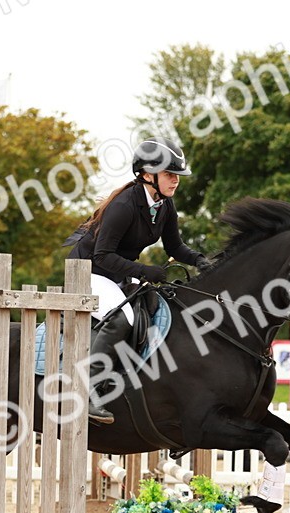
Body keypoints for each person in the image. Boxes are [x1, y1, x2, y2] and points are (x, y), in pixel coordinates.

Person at [65, 137, 212, 424]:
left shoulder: (164, 205)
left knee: (156, 306)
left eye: (177, 175)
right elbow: (102, 255)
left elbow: (175, 247)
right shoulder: (124, 205)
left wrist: (200, 260)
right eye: (169, 174)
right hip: (87, 271)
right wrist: (143, 271)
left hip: (116, 273)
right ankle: (86, 390)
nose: (175, 180)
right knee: (122, 319)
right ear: (147, 174)